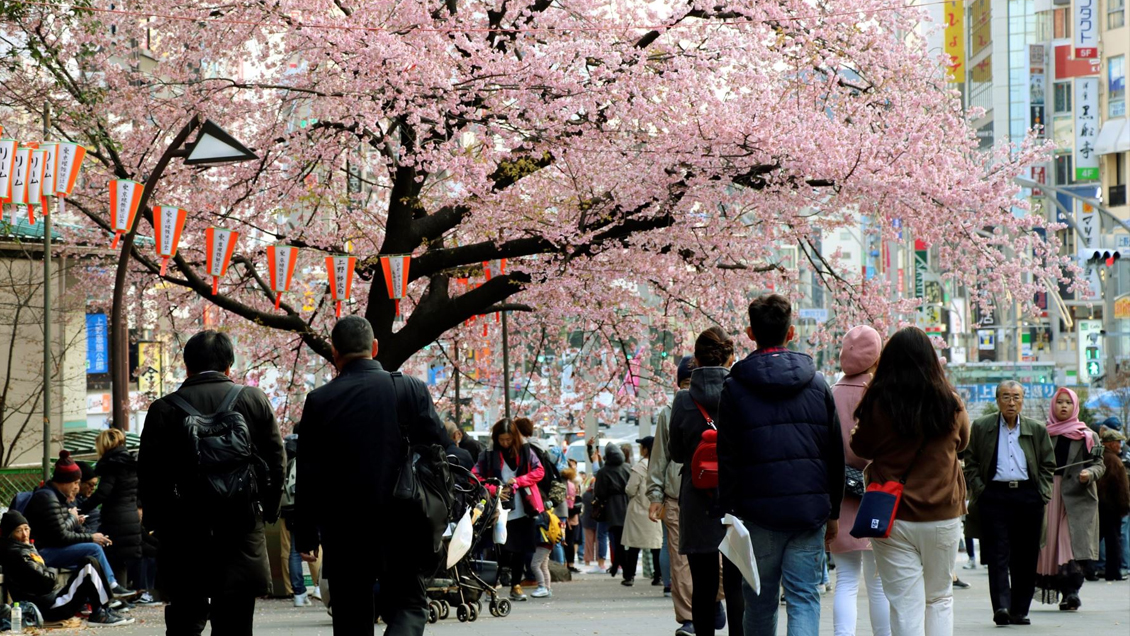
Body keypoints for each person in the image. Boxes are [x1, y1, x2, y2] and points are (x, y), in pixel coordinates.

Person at [292, 317, 462, 634]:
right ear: (375, 348)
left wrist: (306, 534)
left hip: (344, 528)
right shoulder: (410, 389)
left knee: (350, 615)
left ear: (334, 352)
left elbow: (309, 473)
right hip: (405, 519)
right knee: (409, 605)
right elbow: (439, 449)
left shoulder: (320, 401)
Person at [139, 329, 286, 636]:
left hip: (183, 532)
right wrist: (268, 509)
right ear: (229, 366)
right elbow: (276, 461)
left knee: (184, 620)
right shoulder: (252, 400)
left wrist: (155, 523)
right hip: (240, 526)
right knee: (235, 620)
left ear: (187, 365)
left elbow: (150, 474)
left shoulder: (163, 409)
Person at [717, 295, 845, 636]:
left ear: (749, 333)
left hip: (756, 512)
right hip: (809, 510)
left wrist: (728, 512)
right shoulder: (817, 385)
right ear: (791, 333)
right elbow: (835, 452)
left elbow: (727, 456)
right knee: (804, 596)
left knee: (759, 597)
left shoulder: (734, 388)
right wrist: (833, 511)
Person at [850, 327, 969, 636]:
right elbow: (963, 443)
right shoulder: (951, 404)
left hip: (893, 515)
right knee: (939, 597)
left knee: (904, 603)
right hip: (942, 514)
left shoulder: (878, 404)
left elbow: (861, 448)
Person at [963, 380, 1055, 627]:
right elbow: (969, 461)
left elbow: (1048, 464)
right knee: (997, 554)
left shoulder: (1036, 429)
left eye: (1016, 397)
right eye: (1006, 397)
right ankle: (1001, 607)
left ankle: (1020, 610)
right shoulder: (982, 427)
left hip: (1028, 496)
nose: (1011, 402)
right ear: (997, 400)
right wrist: (980, 490)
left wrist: (1042, 492)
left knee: (1026, 556)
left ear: (1023, 400)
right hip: (995, 496)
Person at [669, 327, 742, 636]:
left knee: (703, 584)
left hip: (698, 498)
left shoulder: (684, 400)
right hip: (738, 495)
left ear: (695, 361)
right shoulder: (741, 393)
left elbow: (675, 452)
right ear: (730, 357)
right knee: (737, 582)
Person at [829, 326, 891, 636]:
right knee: (878, 581)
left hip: (841, 494)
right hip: (878, 493)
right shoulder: (880, 392)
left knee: (846, 579)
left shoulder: (832, 392)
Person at [24, 451, 132, 598]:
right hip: (43, 552)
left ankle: (102, 602)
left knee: (91, 559)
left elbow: (62, 529)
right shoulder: (47, 498)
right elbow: (60, 535)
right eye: (75, 483)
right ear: (65, 481)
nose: (76, 487)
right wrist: (86, 532)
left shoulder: (57, 497)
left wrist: (77, 523)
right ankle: (111, 587)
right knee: (93, 549)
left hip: (52, 547)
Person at [1035, 388, 1105, 610]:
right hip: (1048, 495)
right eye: (1059, 402)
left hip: (1077, 497)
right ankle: (1062, 592)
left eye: (1068, 402)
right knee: (1050, 545)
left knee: (1069, 542)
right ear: (1053, 406)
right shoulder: (1043, 433)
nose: (1063, 406)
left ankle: (1072, 591)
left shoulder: (1088, 435)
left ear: (1075, 406)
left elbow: (1099, 464)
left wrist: (1089, 474)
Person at [0, 510, 134, 626]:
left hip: (52, 601)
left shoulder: (23, 548)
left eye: (26, 528)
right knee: (88, 565)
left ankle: (102, 610)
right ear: (10, 534)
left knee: (89, 562)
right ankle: (100, 612)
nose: (24, 534)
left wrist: (47, 570)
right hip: (50, 607)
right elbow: (47, 582)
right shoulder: (18, 553)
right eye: (19, 530)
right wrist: (51, 569)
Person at [473, 418, 546, 602]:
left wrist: (519, 481)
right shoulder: (489, 454)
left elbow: (539, 471)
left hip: (524, 505)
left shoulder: (526, 451)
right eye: (501, 440)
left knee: (521, 548)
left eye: (508, 439)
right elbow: (474, 475)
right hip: (498, 507)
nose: (505, 443)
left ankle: (516, 585)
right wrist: (493, 489)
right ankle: (493, 586)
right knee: (499, 548)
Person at [648, 355, 695, 632]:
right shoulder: (669, 411)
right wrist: (655, 496)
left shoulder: (718, 402)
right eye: (684, 383)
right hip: (675, 495)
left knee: (716, 558)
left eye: (693, 381)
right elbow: (660, 456)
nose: (688, 389)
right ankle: (688, 618)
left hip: (710, 494)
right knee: (680, 561)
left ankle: (712, 601)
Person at [80, 429, 142, 588]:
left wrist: (82, 508)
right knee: (120, 561)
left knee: (110, 558)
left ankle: (114, 598)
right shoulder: (130, 463)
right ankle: (121, 598)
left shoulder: (112, 465)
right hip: (131, 518)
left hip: (116, 519)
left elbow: (102, 493)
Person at [622, 436, 663, 587]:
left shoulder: (639, 467)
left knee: (633, 546)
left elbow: (630, 489)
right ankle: (658, 576)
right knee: (656, 546)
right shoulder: (659, 465)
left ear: (646, 449)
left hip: (638, 510)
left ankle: (629, 576)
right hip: (656, 510)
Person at [595, 441, 631, 581]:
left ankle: (619, 565)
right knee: (627, 540)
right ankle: (620, 566)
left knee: (616, 539)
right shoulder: (628, 467)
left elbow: (600, 492)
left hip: (612, 507)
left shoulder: (604, 471)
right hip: (628, 504)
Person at [1098, 428, 1130, 581]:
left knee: (1095, 539)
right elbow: (1122, 488)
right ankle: (1113, 572)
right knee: (1113, 541)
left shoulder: (1098, 457)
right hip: (1111, 507)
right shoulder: (1115, 461)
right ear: (1111, 444)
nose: (1120, 445)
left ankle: (1088, 569)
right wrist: (1125, 507)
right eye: (1118, 442)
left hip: (1098, 506)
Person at [75, 461, 102, 533]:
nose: (93, 488)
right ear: (79, 483)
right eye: (90, 484)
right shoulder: (73, 502)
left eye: (95, 485)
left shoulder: (87, 499)